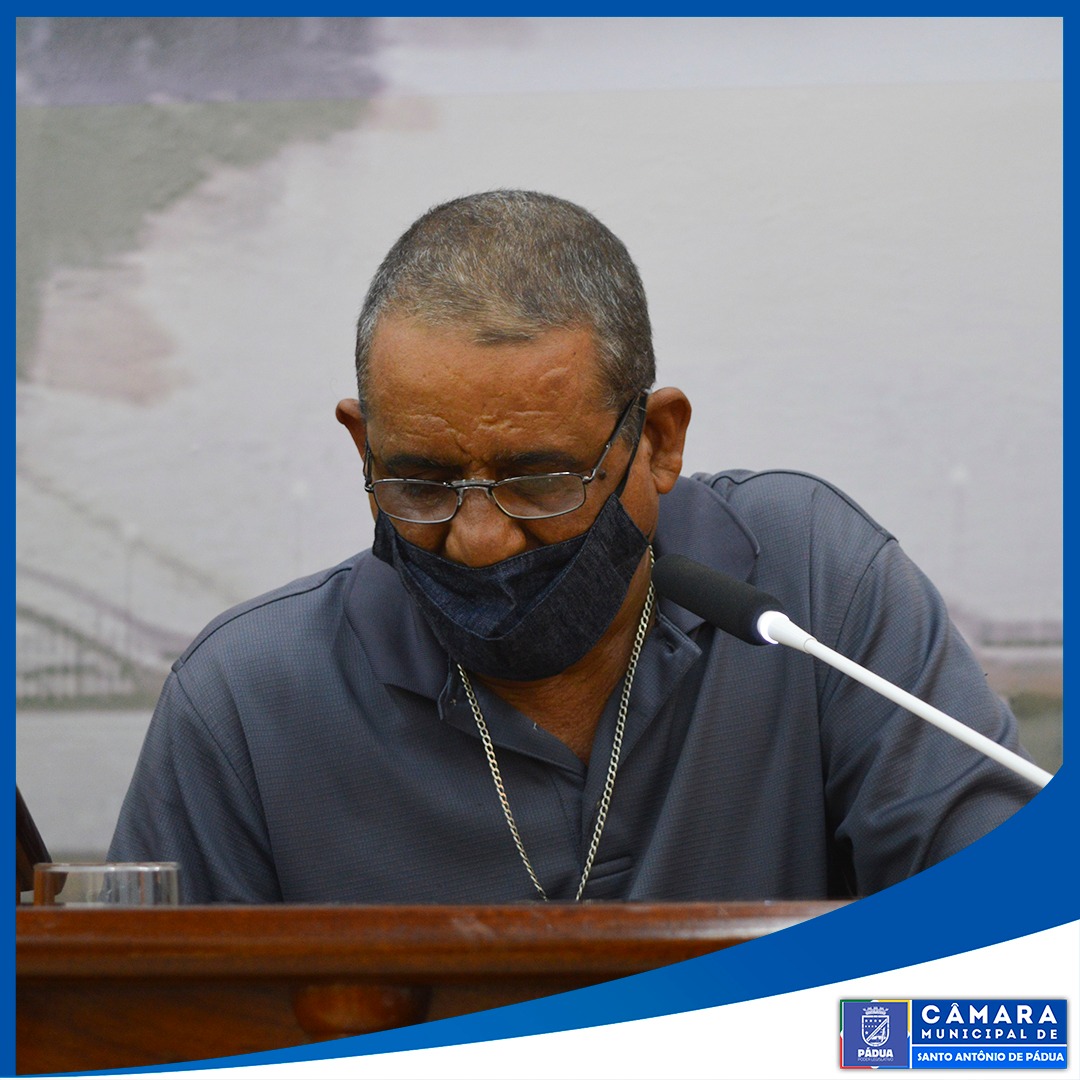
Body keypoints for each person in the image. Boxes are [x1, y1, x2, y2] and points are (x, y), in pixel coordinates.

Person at [108, 189, 1037, 904]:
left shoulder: (810, 587)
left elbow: (1010, 955)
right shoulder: (243, 701)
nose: (479, 541)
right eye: (422, 483)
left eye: (540, 480)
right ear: (363, 448)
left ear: (658, 442)